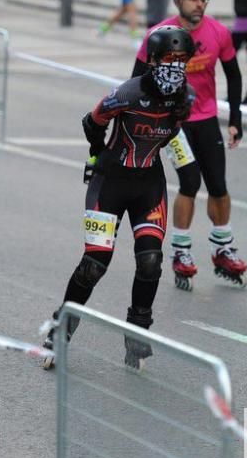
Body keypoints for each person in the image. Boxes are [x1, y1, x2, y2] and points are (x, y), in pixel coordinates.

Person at [42, 25, 196, 370]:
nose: (176, 66)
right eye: (169, 59)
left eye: (183, 61)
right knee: (95, 264)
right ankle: (60, 329)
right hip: (110, 182)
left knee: (150, 261)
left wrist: (188, 168)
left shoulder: (186, 98)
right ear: (153, 60)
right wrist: (96, 154)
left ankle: (138, 333)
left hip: (149, 186)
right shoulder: (127, 93)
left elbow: (175, 137)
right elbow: (91, 121)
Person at [133, 0, 247, 291]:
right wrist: (145, 122)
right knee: (190, 181)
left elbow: (234, 76)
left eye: (204, 0)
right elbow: (137, 79)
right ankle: (181, 251)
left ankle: (222, 246)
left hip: (207, 118)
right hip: (173, 123)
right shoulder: (158, 35)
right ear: (178, 0)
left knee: (219, 186)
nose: (200, 5)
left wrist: (235, 118)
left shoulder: (218, 33)